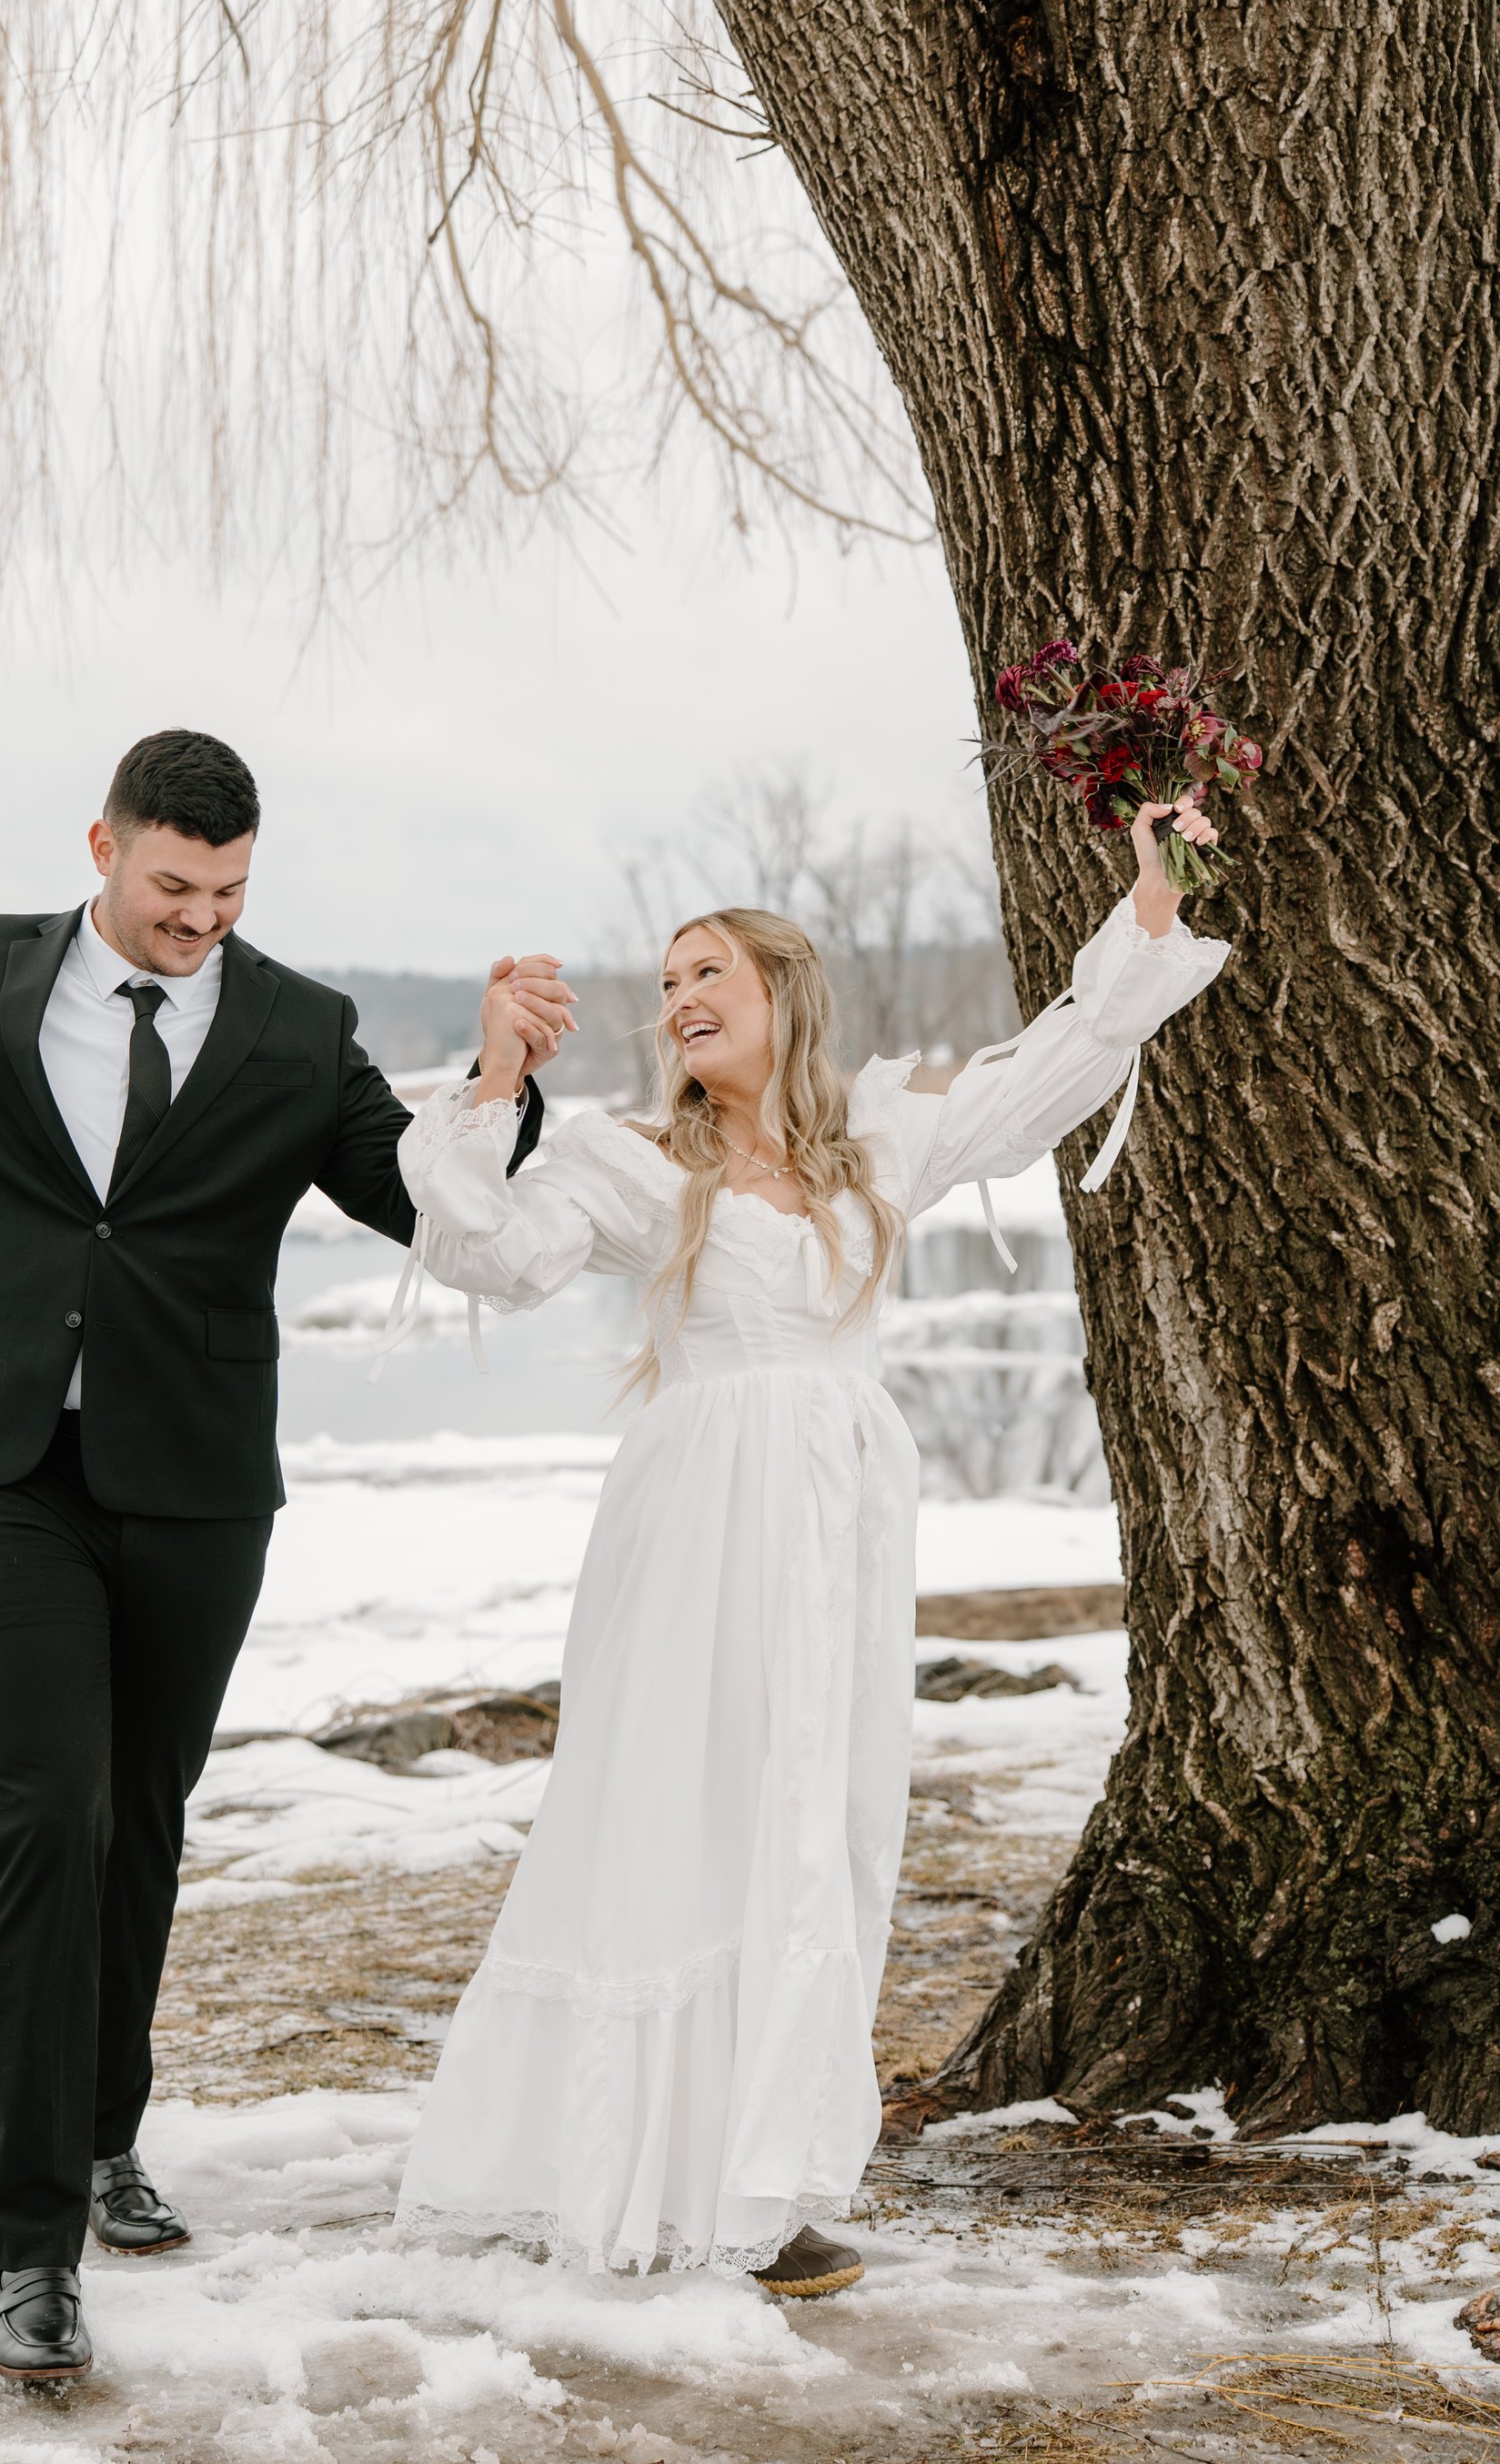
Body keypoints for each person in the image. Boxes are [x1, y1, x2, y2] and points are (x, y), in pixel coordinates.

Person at [0, 716, 558, 2384]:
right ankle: (31, 2248)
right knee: (42, 1810)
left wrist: (499, 1077)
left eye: (225, 891)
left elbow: (434, 1204)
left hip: (196, 1477)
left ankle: (101, 2135)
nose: (198, 919)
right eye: (171, 885)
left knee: (140, 1815)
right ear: (102, 846)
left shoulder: (300, 1029)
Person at [388, 795, 1229, 2295]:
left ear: (785, 994)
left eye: (710, 971)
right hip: (699, 1520)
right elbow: (488, 1255)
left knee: (812, 1824)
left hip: (839, 1518)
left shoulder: (883, 1144)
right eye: (665, 983)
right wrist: (498, 1074)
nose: (681, 1000)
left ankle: (760, 2180)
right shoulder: (631, 1161)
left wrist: (1151, 903)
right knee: (675, 1812)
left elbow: (1054, 1069)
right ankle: (625, 2172)